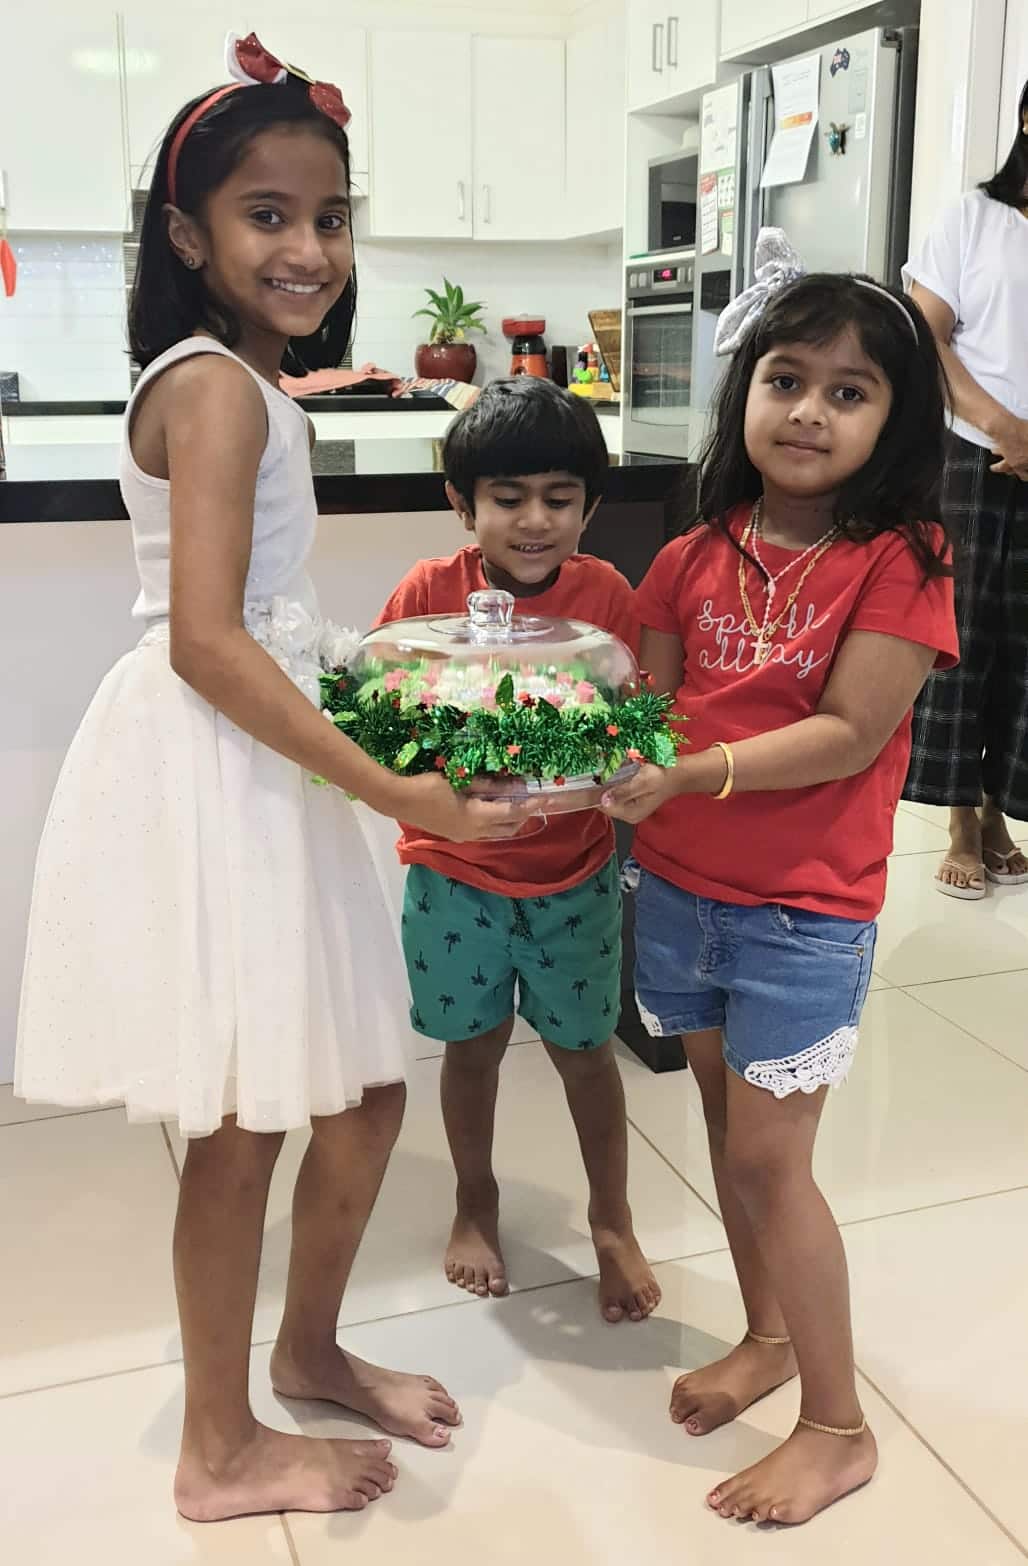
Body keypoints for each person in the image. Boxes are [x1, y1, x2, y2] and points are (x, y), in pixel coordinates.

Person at [15, 34, 534, 1525]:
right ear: (189, 235)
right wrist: (398, 788)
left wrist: (390, 682)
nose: (309, 248)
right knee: (245, 1118)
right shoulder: (221, 391)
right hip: (224, 768)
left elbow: (271, 615)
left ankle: (305, 1350)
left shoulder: (242, 379)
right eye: (267, 215)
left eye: (330, 215)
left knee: (364, 1087)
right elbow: (203, 641)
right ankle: (217, 1442)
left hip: (267, 755)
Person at [600, 235, 958, 1525]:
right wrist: (545, 735)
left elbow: (850, 734)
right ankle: (763, 1337)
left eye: (847, 391)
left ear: (893, 420)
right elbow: (640, 706)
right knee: (724, 1135)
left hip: (802, 912)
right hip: (681, 896)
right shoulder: (694, 551)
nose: (806, 410)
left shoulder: (900, 558)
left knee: (769, 1165)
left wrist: (681, 775)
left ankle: (835, 1422)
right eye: (784, 379)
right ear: (741, 391)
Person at [373, 377, 662, 1324]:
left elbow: (631, 723)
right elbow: (386, 723)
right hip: (453, 877)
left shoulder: (605, 596)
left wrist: (627, 768)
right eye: (507, 498)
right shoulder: (425, 594)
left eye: (560, 498)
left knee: (586, 1055)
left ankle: (612, 1221)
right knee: (473, 1049)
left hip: (572, 875)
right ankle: (475, 1200)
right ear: (463, 504)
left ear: (590, 505)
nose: (534, 521)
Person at [902, 80, 1028, 898]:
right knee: (961, 639)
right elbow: (924, 334)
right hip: (970, 453)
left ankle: (998, 810)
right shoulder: (973, 219)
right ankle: (956, 815)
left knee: (1025, 648)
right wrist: (1004, 425)